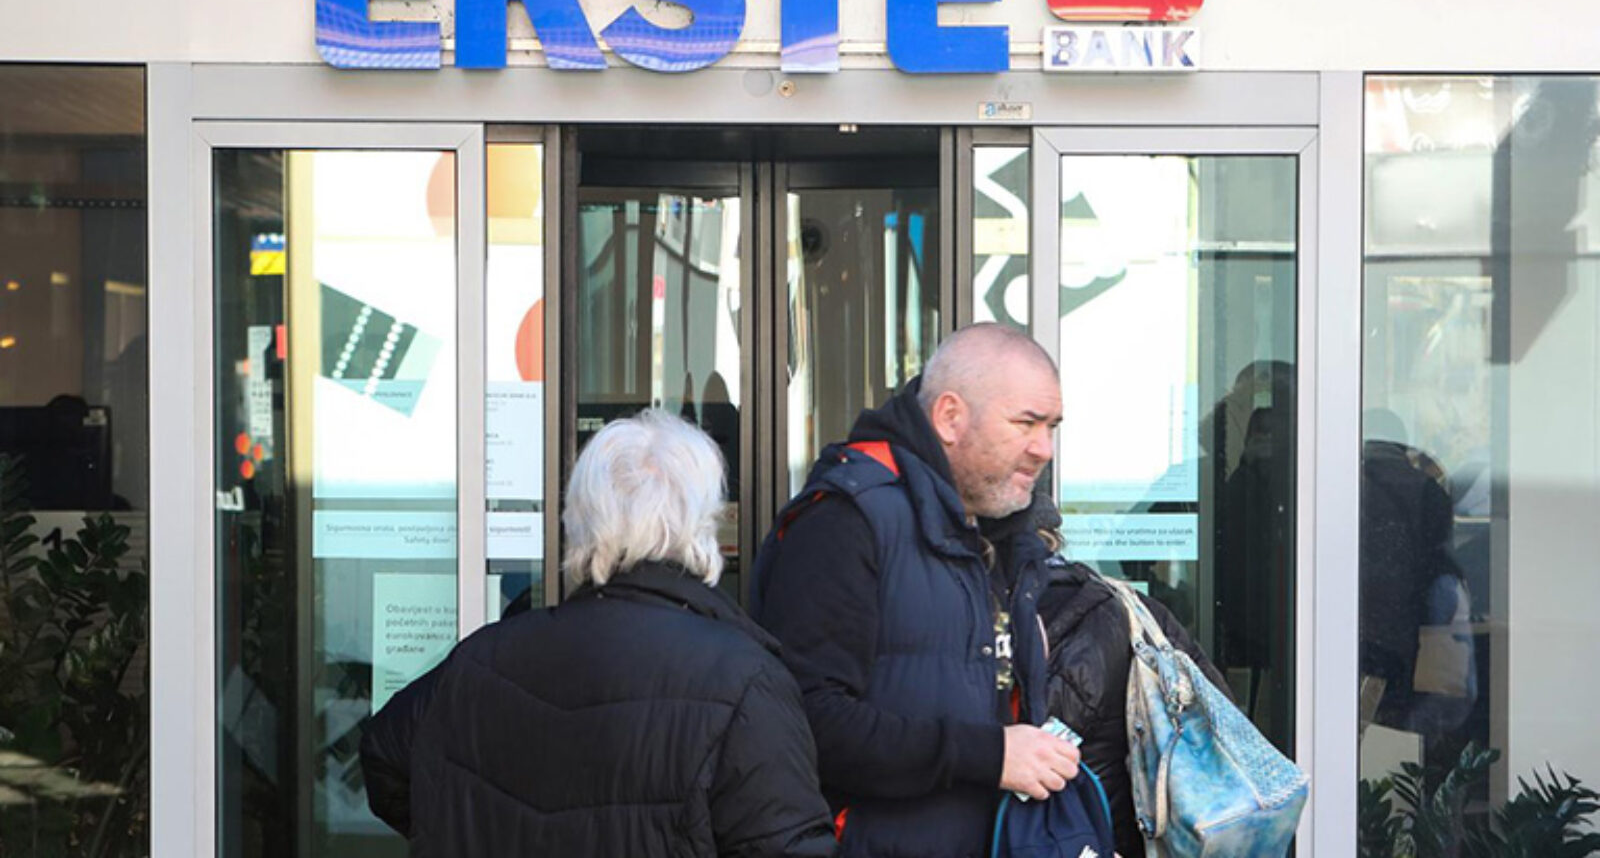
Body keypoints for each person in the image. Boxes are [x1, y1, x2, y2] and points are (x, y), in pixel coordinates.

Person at [360, 409, 836, 858]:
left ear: (579, 519)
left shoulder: (479, 661)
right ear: (702, 525)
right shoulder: (745, 681)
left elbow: (384, 757)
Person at [752, 322, 1082, 858]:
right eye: (1025, 423)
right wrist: (988, 755)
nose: (1043, 448)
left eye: (1052, 427)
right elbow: (808, 721)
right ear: (950, 417)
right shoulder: (845, 521)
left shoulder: (1006, 533)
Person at [1037, 557, 1230, 858]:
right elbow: (1220, 714)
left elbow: (1029, 760)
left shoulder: (1030, 623)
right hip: (1153, 835)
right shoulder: (1136, 608)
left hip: (1083, 835)